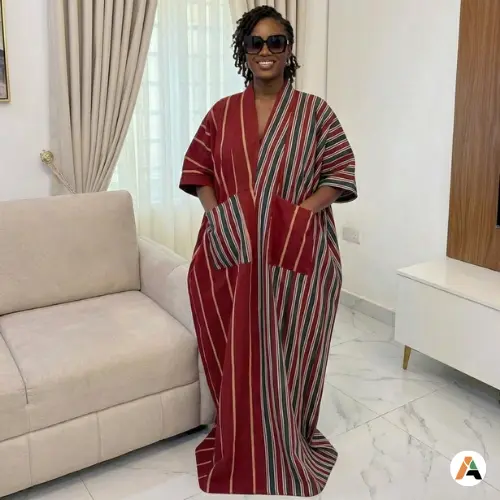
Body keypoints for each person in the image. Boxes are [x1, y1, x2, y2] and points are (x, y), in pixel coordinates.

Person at [179, 5, 357, 497]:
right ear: (244, 51)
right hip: (233, 250)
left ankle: (288, 441)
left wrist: (298, 214)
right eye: (255, 42)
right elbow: (199, 171)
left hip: (295, 251)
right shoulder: (221, 112)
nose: (265, 51)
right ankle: (241, 441)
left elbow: (339, 172)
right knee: (235, 349)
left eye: (275, 42)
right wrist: (219, 216)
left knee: (292, 348)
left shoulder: (316, 112)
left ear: (288, 49)